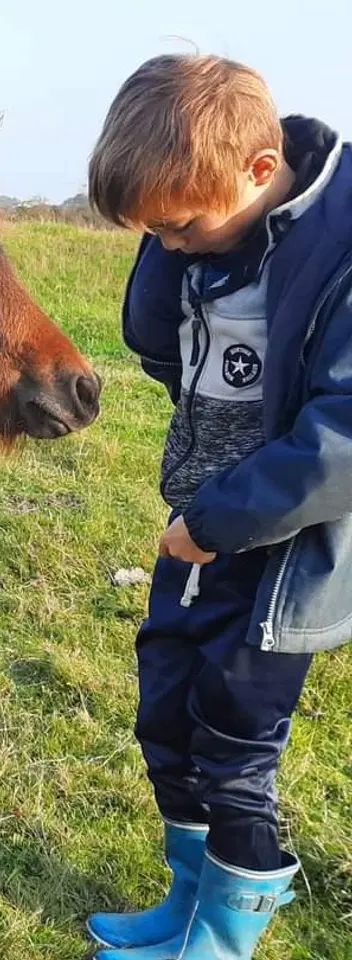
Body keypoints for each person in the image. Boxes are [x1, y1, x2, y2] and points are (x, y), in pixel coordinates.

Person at [83, 52, 352, 959]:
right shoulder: (207, 241)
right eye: (149, 231)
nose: (167, 243)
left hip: (280, 557)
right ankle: (185, 904)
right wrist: (197, 519)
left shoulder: (339, 252)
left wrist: (217, 521)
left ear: (259, 173)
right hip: (196, 534)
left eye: (179, 225)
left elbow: (344, 433)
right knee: (168, 715)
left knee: (237, 750)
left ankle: (223, 943)